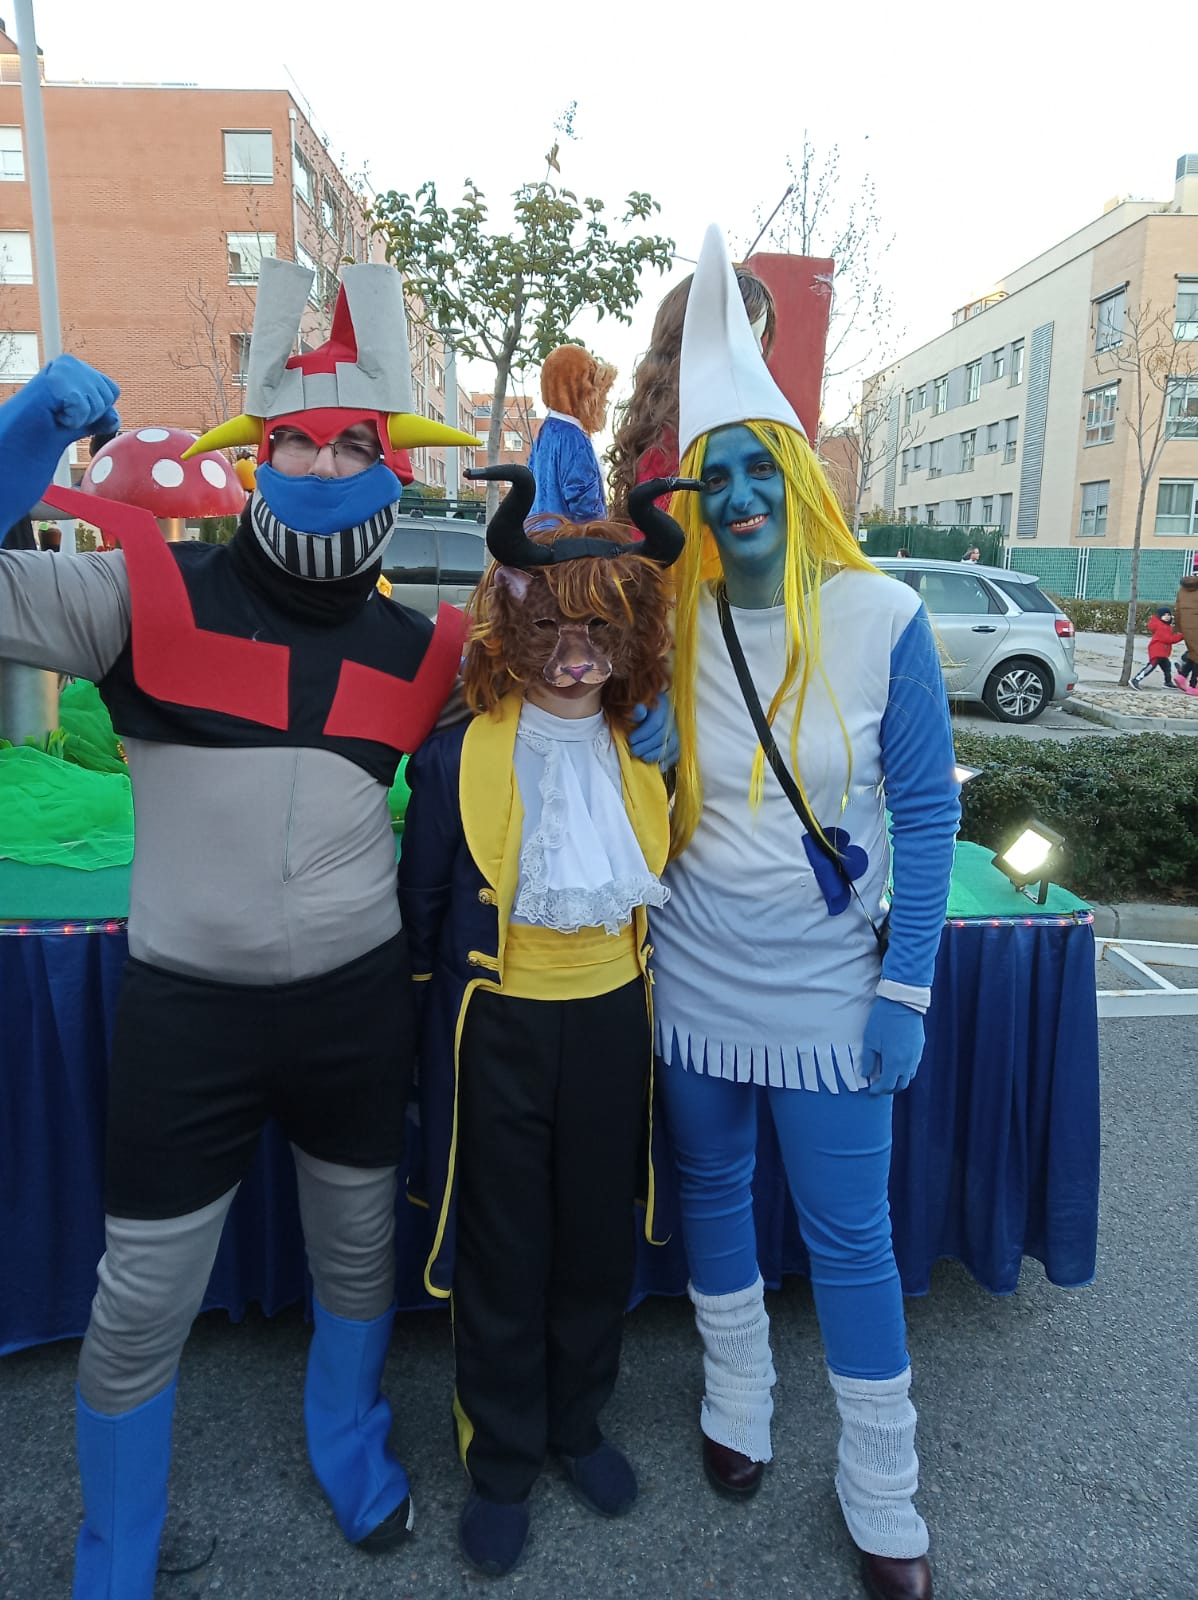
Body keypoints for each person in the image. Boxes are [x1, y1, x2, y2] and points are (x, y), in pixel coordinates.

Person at [0, 259, 483, 1599]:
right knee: (140, 1300)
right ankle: (116, 1548)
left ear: (394, 462)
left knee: (359, 1258)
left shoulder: (429, 649)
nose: (324, 464)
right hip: (189, 1015)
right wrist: (24, 435)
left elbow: (591, 681)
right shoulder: (139, 594)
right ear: (254, 453)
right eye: (297, 441)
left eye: (353, 442)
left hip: (352, 1005)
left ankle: (348, 1444)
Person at [648, 227, 959, 1600]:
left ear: (796, 472)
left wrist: (904, 990)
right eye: (712, 477)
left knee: (849, 1236)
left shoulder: (883, 616)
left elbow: (929, 818)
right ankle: (737, 1401)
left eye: (756, 468)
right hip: (694, 971)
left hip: (832, 985)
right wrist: (644, 746)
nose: (735, 495)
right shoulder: (669, 618)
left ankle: (882, 1484)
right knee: (712, 1188)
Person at [398, 466, 685, 1577]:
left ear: (630, 633)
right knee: (504, 1244)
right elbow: (423, 911)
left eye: (600, 631)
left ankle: (578, 1423)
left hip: (612, 1021)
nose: (576, 655)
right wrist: (414, 1044)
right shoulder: (457, 750)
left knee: (593, 1235)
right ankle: (503, 1456)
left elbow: (672, 860)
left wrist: (670, 744)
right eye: (555, 629)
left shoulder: (643, 748)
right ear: (516, 625)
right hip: (496, 1032)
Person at [607, 264, 777, 519]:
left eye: (759, 337)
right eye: (748, 336)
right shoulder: (684, 436)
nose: (759, 351)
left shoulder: (668, 425)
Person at [525, 345, 616, 524]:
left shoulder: (545, 432)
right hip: (570, 539)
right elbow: (585, 506)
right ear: (582, 390)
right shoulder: (574, 438)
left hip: (538, 536)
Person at [1130, 606, 1184, 689]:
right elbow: (1169, 639)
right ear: (1160, 616)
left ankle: (1168, 682)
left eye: (1168, 615)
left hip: (1163, 652)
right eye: (1164, 615)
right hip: (1157, 651)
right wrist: (1182, 636)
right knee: (1151, 666)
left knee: (1167, 666)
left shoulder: (1166, 626)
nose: (1167, 617)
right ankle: (1136, 679)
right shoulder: (1161, 626)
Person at [1175, 560, 1198, 692]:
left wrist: (1179, 628)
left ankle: (1182, 676)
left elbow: (1178, 610)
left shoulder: (1183, 589)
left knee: (1194, 653)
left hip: (1186, 627)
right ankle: (1194, 686)